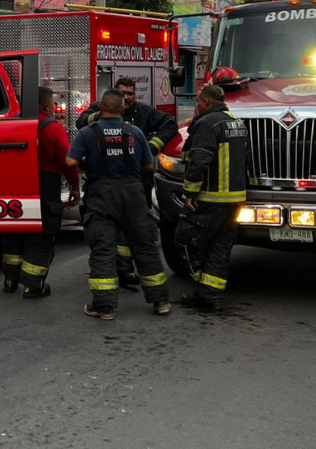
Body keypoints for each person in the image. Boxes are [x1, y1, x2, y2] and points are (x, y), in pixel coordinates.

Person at [66, 89, 170, 320]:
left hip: (101, 196)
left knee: (103, 248)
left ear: (100, 108)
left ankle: (104, 307)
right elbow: (149, 167)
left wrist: (87, 164)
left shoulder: (87, 132)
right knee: (145, 246)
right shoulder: (134, 132)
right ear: (123, 109)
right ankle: (160, 301)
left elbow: (70, 161)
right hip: (133, 195)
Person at [2, 86, 80, 298]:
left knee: (14, 233)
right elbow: (67, 161)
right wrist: (75, 186)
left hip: (15, 187)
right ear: (47, 105)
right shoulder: (53, 128)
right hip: (44, 187)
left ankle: (10, 281)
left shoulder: (12, 124)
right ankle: (33, 286)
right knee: (40, 237)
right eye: (53, 104)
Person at [177, 84, 250, 310]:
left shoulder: (208, 124)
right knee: (220, 247)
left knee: (188, 240)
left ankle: (201, 282)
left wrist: (190, 192)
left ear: (206, 102)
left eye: (198, 101)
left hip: (211, 197)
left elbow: (200, 159)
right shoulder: (237, 122)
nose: (196, 105)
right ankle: (209, 295)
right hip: (235, 199)